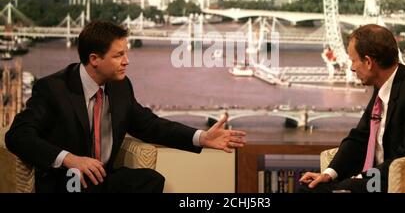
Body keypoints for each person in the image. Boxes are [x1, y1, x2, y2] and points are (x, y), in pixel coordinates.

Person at [5, 20, 246, 193]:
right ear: (94, 60)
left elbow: (150, 125)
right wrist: (70, 159)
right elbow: (17, 136)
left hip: (102, 179)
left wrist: (201, 138)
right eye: (119, 55)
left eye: (126, 53)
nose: (127, 61)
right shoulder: (53, 89)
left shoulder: (120, 87)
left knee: (150, 180)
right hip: (68, 181)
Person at [299, 24, 405, 193]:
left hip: (393, 184)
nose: (351, 68)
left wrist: (361, 178)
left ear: (368, 62)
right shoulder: (383, 86)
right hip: (376, 180)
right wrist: (328, 174)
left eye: (353, 60)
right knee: (311, 187)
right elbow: (360, 137)